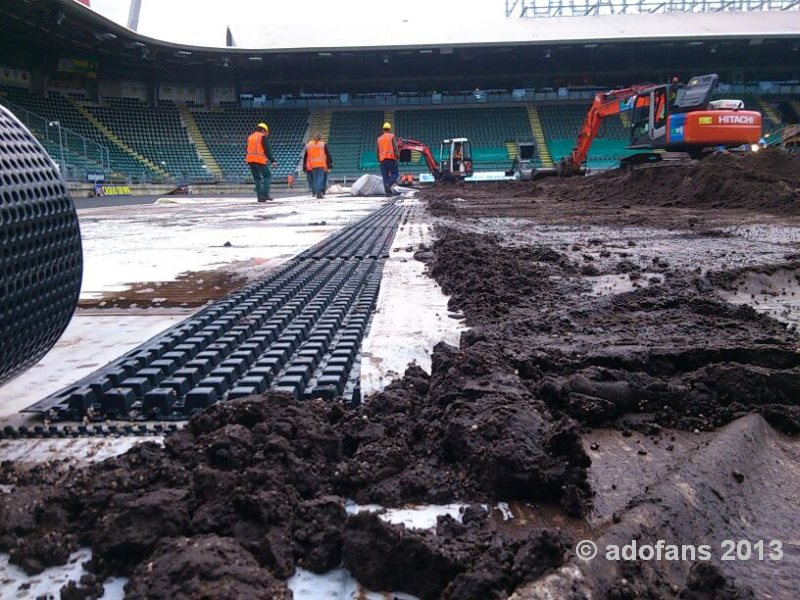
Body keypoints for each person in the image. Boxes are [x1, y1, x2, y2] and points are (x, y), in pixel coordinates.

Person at [245, 122, 277, 202]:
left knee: (257, 178)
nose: (267, 134)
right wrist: (272, 161)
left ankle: (260, 197)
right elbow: (267, 150)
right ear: (263, 130)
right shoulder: (262, 136)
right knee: (267, 175)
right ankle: (265, 194)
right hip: (259, 159)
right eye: (266, 131)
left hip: (250, 160)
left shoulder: (250, 137)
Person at [305, 133, 331, 199]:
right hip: (321, 164)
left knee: (315, 179)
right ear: (320, 138)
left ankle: (315, 192)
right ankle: (319, 193)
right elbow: (328, 155)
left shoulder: (309, 145)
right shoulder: (322, 144)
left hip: (313, 164)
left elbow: (306, 155)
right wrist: (330, 165)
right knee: (320, 178)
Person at [377, 122, 400, 196]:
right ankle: (389, 184)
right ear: (389, 129)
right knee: (395, 174)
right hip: (391, 158)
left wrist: (379, 159)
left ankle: (387, 193)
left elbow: (377, 150)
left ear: (383, 129)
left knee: (385, 176)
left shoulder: (379, 139)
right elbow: (395, 147)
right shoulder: (392, 136)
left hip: (382, 160)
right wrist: (397, 156)